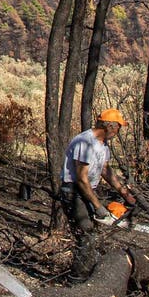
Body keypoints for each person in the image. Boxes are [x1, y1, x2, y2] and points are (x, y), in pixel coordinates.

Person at [59, 108, 137, 280]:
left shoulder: (103, 145)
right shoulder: (85, 142)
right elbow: (81, 179)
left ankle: (86, 272)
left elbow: (105, 170)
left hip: (87, 190)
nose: (118, 131)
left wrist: (125, 193)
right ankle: (77, 279)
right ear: (109, 126)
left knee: (91, 233)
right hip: (74, 190)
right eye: (118, 127)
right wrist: (98, 206)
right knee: (86, 233)